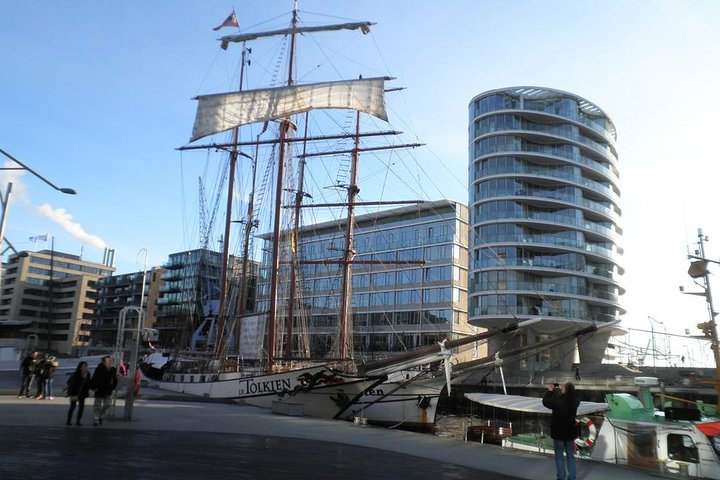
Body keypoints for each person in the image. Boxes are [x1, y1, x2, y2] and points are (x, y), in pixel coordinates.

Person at [542, 382, 580, 480]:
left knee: (559, 456)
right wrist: (566, 388)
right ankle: (572, 477)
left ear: (565, 390)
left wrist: (550, 391)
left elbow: (546, 402)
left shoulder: (558, 400)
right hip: (570, 432)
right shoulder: (575, 400)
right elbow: (573, 395)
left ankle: (561, 477)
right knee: (570, 456)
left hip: (558, 432)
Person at [91, 356, 117, 426]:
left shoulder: (112, 369)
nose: (110, 362)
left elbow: (114, 379)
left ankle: (101, 416)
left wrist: (113, 387)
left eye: (111, 361)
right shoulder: (99, 369)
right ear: (104, 362)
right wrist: (94, 387)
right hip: (99, 389)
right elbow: (94, 378)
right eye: (108, 361)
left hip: (108, 389)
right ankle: (96, 419)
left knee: (107, 404)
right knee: (97, 405)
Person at [66, 361, 91, 426]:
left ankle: (78, 421)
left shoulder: (87, 374)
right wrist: (70, 393)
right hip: (75, 392)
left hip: (82, 393)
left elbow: (88, 384)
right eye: (83, 366)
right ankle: (68, 421)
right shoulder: (75, 374)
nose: (85, 368)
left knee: (81, 407)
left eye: (86, 366)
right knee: (72, 407)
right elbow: (70, 383)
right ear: (80, 367)